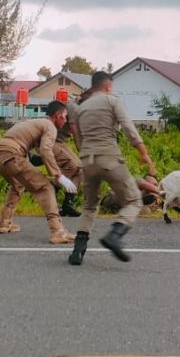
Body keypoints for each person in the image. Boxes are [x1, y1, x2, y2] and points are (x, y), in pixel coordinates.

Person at [68, 71, 159, 266]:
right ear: (108, 86)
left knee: (90, 206)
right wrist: (144, 153)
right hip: (108, 158)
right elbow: (128, 128)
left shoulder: (81, 108)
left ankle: (78, 250)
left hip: (87, 160)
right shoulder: (112, 101)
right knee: (134, 200)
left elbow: (79, 137)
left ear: (92, 86)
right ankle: (114, 235)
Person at [0, 100, 79, 244]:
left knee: (18, 185)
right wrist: (58, 175)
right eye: (64, 116)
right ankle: (57, 231)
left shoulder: (36, 123)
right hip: (12, 155)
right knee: (46, 187)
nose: (66, 121)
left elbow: (37, 150)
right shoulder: (50, 126)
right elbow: (45, 150)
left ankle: (4, 222)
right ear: (57, 115)